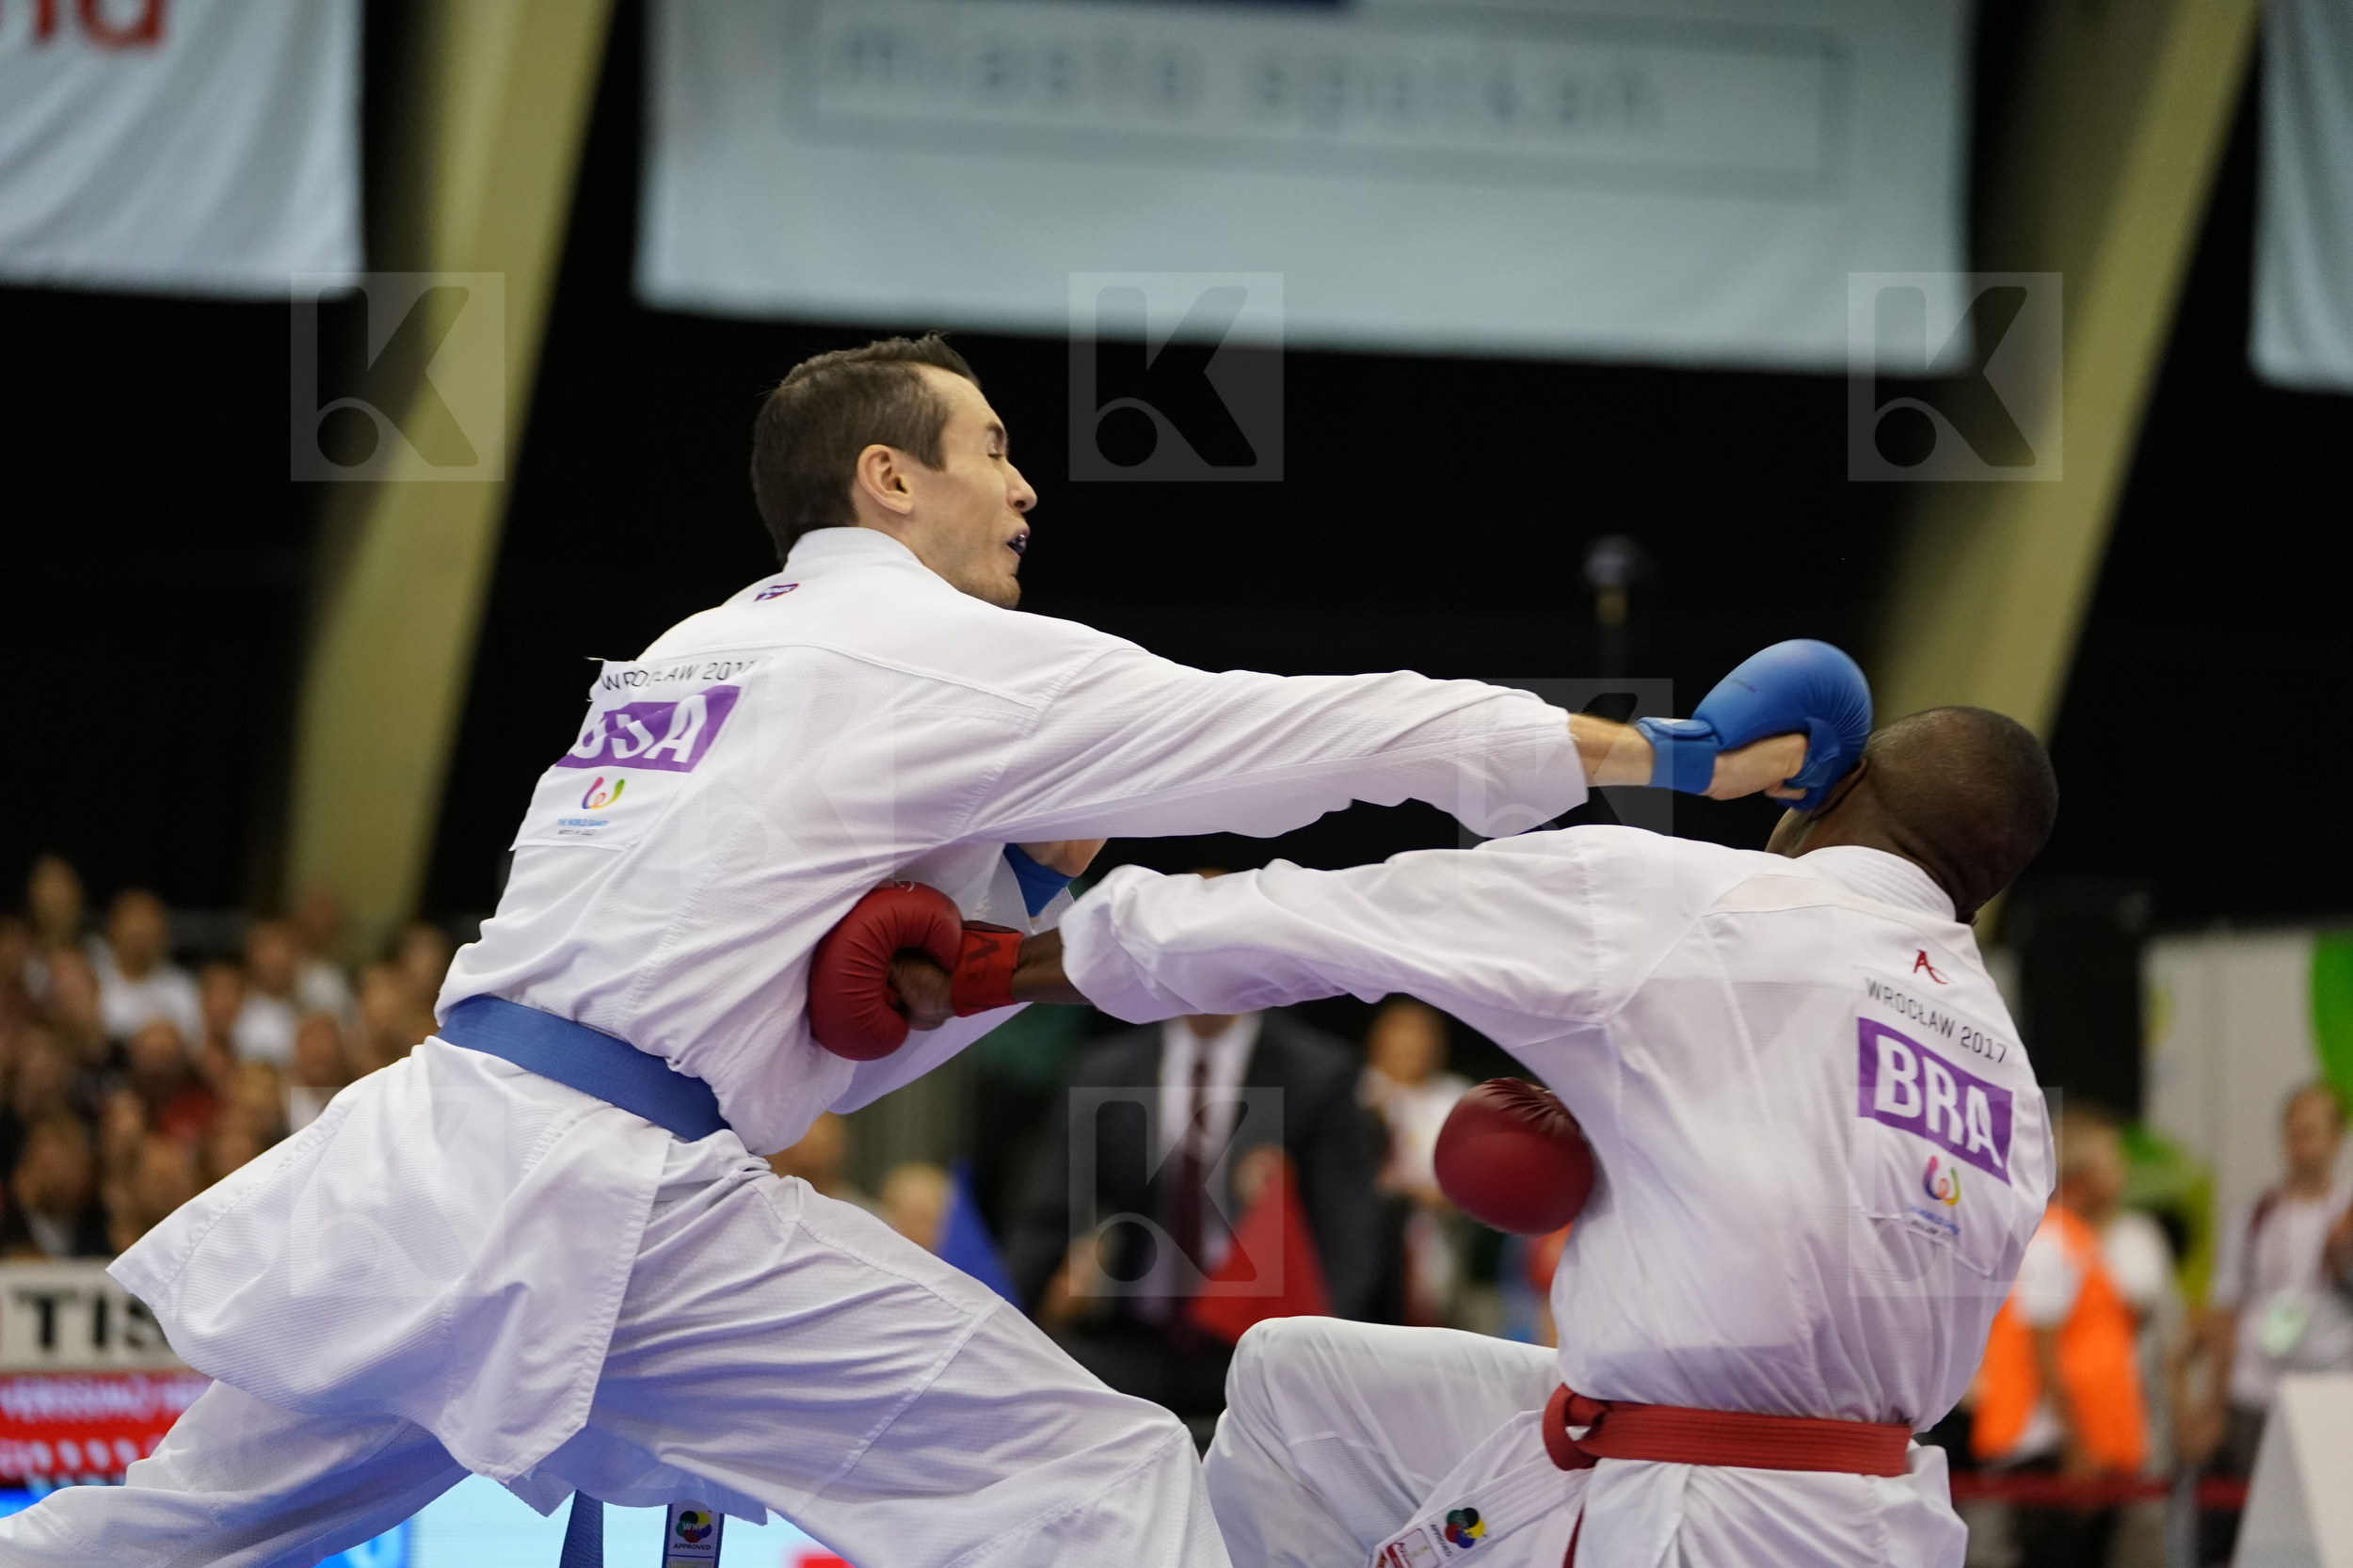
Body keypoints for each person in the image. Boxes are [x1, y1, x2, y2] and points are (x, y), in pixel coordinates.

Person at [0, 334, 1814, 1567]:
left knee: (158, 1533)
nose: (1027, 485)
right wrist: (1636, 756)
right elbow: (1302, 728)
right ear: (889, 480)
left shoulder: (681, 657)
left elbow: (785, 989)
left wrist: (1000, 905)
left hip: (436, 1156)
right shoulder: (926, 651)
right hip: (618, 1203)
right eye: (996, 450)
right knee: (1097, 1475)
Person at [875, 704, 2060, 1568]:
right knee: (1300, 1381)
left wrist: (993, 967)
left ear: (1831, 794)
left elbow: (1316, 916)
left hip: (1690, 1508)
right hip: (1880, 1509)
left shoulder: (1700, 907)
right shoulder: (2004, 1072)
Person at [1004, 988, 1385, 1430]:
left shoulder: (1318, 1072)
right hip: (1135, 1338)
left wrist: (1325, 1357)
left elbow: (1351, 1234)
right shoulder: (1105, 1070)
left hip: (1260, 1343)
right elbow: (1047, 1218)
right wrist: (995, 1335)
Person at [1971, 1104, 2147, 1568]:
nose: (2122, 1171)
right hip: (2053, 1451)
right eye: (2113, 1159)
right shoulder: (2052, 1242)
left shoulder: (2071, 1238)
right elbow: (2042, 1352)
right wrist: (2077, 1448)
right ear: (2084, 1174)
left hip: (2067, 1448)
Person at [2185, 1083, 2353, 1535]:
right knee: (2246, 1523)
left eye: (2314, 1133)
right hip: (2255, 1394)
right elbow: (2226, 1311)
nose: (2303, 1146)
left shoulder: (2346, 1216)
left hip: (2332, 1393)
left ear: (2337, 1138)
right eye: (2294, 1133)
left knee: (2324, 1527)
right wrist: (2214, 1404)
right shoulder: (2255, 1216)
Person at [1358, 997, 1472, 1325]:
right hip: (1365, 1249)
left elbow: (1468, 1188)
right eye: (1402, 1036)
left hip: (1433, 1256)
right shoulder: (1355, 1092)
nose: (1414, 1048)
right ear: (1378, 1040)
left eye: (1423, 1038)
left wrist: (1414, 1188)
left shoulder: (1455, 1099)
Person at [93, 888, 200, 1047]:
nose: (140, 931)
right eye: (132, 921)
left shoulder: (182, 987)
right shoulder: (93, 976)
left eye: (148, 922)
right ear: (112, 928)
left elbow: (193, 1043)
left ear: (164, 932)